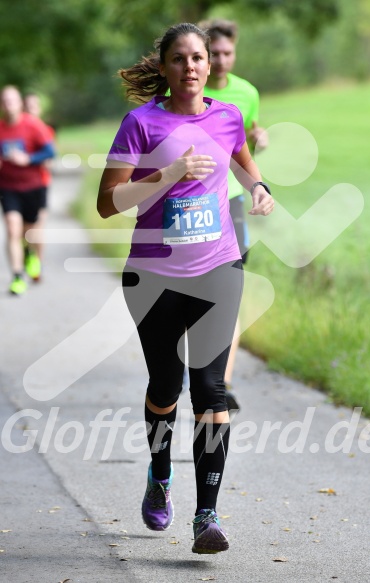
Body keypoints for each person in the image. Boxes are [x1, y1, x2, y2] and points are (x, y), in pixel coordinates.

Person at [97, 23, 274, 554]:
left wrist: (258, 186)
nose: (192, 66)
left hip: (218, 268)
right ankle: (159, 475)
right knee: (166, 388)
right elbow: (109, 203)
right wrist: (169, 173)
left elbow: (239, 155)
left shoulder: (227, 115)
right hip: (152, 278)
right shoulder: (141, 123)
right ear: (166, 67)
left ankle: (206, 515)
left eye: (198, 57)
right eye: (180, 59)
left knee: (211, 389)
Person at [199, 19, 269, 412]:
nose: (222, 60)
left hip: (233, 200)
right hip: (194, 203)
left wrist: (260, 139)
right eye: (216, 54)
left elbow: (242, 151)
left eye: (228, 53)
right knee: (194, 293)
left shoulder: (248, 93)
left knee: (230, 292)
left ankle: (221, 382)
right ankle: (196, 369)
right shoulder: (190, 87)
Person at [0, 85, 55, 294]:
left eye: (12, 100)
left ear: (20, 103)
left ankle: (31, 256)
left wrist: (29, 159)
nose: (8, 104)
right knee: (13, 229)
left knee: (30, 232)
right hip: (8, 187)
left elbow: (50, 152)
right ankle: (17, 276)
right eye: (4, 101)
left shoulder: (33, 125)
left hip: (33, 186)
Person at [23, 92, 56, 274]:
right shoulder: (19, 130)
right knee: (22, 229)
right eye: (27, 108)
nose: (30, 111)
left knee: (37, 226)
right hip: (19, 187)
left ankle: (38, 263)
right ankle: (28, 255)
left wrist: (29, 159)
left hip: (40, 184)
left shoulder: (45, 131)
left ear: (39, 109)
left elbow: (49, 160)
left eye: (33, 107)